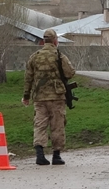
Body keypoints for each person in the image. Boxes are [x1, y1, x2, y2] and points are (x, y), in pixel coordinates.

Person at [22, 29, 76, 165]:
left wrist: (26, 96)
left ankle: (40, 154)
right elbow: (70, 73)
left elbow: (28, 78)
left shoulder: (35, 56)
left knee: (40, 124)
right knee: (57, 125)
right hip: (57, 97)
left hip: (39, 97)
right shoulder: (59, 56)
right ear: (55, 41)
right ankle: (56, 156)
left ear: (43, 40)